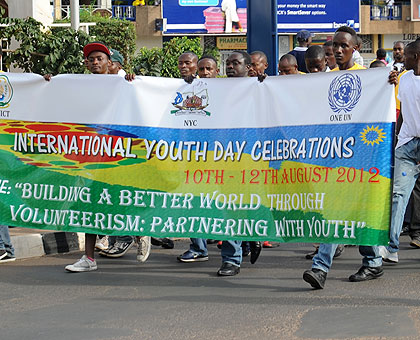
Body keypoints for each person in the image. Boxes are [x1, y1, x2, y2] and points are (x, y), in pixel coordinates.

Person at [302, 26, 391, 289]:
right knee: (339, 211)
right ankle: (353, 264)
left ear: (355, 49)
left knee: (352, 211)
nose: (338, 50)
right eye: (335, 45)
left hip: (362, 158)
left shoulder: (369, 78)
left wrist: (391, 81)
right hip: (333, 158)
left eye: (344, 46)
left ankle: (339, 265)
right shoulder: (324, 79)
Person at [217, 51, 261, 276]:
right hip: (226, 159)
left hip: (254, 158)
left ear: (248, 67)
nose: (231, 67)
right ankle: (231, 259)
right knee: (231, 208)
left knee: (252, 205)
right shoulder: (216, 90)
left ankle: (253, 237)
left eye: (236, 63)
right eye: (228, 63)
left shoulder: (259, 88)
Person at [378, 40, 420, 264]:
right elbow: (402, 109)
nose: (404, 58)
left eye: (409, 55)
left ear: (417, 56)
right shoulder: (403, 79)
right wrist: (397, 137)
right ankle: (391, 247)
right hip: (407, 145)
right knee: (398, 196)